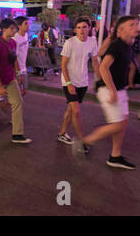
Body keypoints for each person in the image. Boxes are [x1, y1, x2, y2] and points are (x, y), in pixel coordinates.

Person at [73, 16, 138, 170]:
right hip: (108, 89)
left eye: (136, 24)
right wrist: (113, 91)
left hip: (119, 89)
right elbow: (103, 67)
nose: (135, 27)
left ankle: (115, 156)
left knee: (123, 122)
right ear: (120, 30)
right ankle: (84, 142)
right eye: (131, 25)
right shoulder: (117, 45)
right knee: (118, 124)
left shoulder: (128, 44)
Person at [0, 19, 31, 143]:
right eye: (12, 28)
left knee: (18, 102)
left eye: (15, 28)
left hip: (10, 78)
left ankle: (17, 134)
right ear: (4, 30)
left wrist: (18, 74)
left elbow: (14, 59)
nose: (14, 30)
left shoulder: (13, 43)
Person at [58, 17, 100, 149]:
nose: (82, 30)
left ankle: (62, 133)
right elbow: (63, 65)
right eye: (79, 27)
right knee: (76, 111)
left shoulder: (92, 42)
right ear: (75, 30)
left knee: (71, 110)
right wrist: (69, 83)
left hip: (83, 81)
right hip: (69, 81)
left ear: (89, 28)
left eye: (84, 27)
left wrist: (99, 80)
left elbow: (94, 61)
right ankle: (82, 141)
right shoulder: (70, 43)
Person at [13, 16, 30, 95]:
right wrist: (19, 73)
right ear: (19, 26)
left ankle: (4, 105)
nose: (28, 25)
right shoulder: (15, 38)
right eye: (25, 24)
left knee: (24, 92)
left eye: (28, 23)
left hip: (24, 68)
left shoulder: (26, 35)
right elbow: (14, 58)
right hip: (17, 70)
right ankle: (3, 105)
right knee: (16, 93)